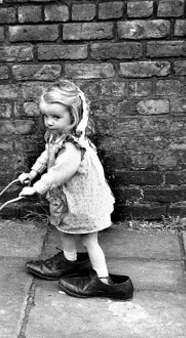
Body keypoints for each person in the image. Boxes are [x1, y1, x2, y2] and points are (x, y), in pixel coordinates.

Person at [18, 80, 133, 300]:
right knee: (64, 227)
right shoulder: (56, 137)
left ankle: (104, 280)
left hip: (85, 203)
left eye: (56, 117)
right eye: (46, 116)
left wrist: (37, 187)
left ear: (74, 116)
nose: (49, 122)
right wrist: (32, 173)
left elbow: (59, 172)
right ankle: (69, 260)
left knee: (90, 240)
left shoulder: (72, 147)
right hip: (71, 200)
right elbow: (47, 155)